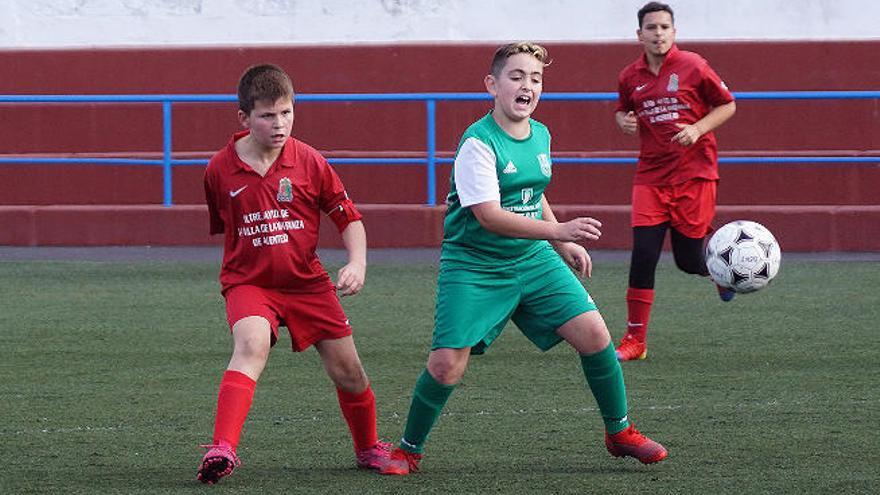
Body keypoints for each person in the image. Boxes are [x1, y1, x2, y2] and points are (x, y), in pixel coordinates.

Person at [379, 42, 667, 476]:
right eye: (516, 76)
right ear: (492, 85)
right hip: (475, 263)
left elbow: (533, 194)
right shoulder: (477, 143)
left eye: (535, 79)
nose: (526, 86)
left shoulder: (541, 133)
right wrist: (559, 231)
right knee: (446, 365)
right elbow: (490, 216)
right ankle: (407, 450)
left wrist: (560, 244)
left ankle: (619, 433)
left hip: (532, 257)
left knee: (595, 335)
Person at [197, 64, 389, 484]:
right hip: (249, 283)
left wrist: (357, 262)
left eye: (286, 113)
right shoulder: (218, 170)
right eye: (267, 115)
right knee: (251, 344)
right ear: (244, 118)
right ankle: (222, 449)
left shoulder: (310, 161)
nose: (279, 123)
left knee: (350, 373)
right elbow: (228, 227)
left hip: (307, 283)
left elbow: (348, 218)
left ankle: (368, 447)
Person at [614, 2, 737, 362]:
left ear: (674, 32)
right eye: (651, 28)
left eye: (665, 27)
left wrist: (698, 129)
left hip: (694, 175)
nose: (658, 33)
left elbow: (727, 105)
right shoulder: (629, 76)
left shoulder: (694, 66)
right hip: (650, 177)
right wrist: (622, 120)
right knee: (644, 254)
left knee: (688, 260)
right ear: (640, 35)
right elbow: (624, 108)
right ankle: (635, 340)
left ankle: (723, 271)